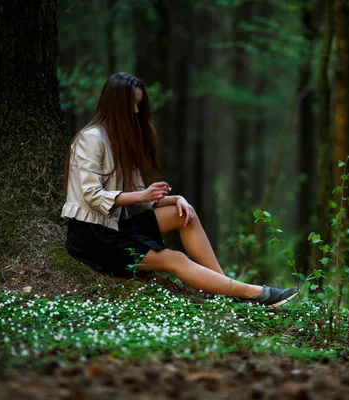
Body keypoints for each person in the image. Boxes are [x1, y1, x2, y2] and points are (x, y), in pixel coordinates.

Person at [62, 72, 298, 308]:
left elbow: (139, 198)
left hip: (115, 227)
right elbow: (92, 196)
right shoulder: (91, 138)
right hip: (92, 238)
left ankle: (224, 287)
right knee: (175, 258)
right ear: (115, 104)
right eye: (132, 104)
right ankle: (253, 294)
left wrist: (177, 199)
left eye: (139, 104)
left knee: (184, 213)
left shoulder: (121, 141)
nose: (136, 111)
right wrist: (142, 195)